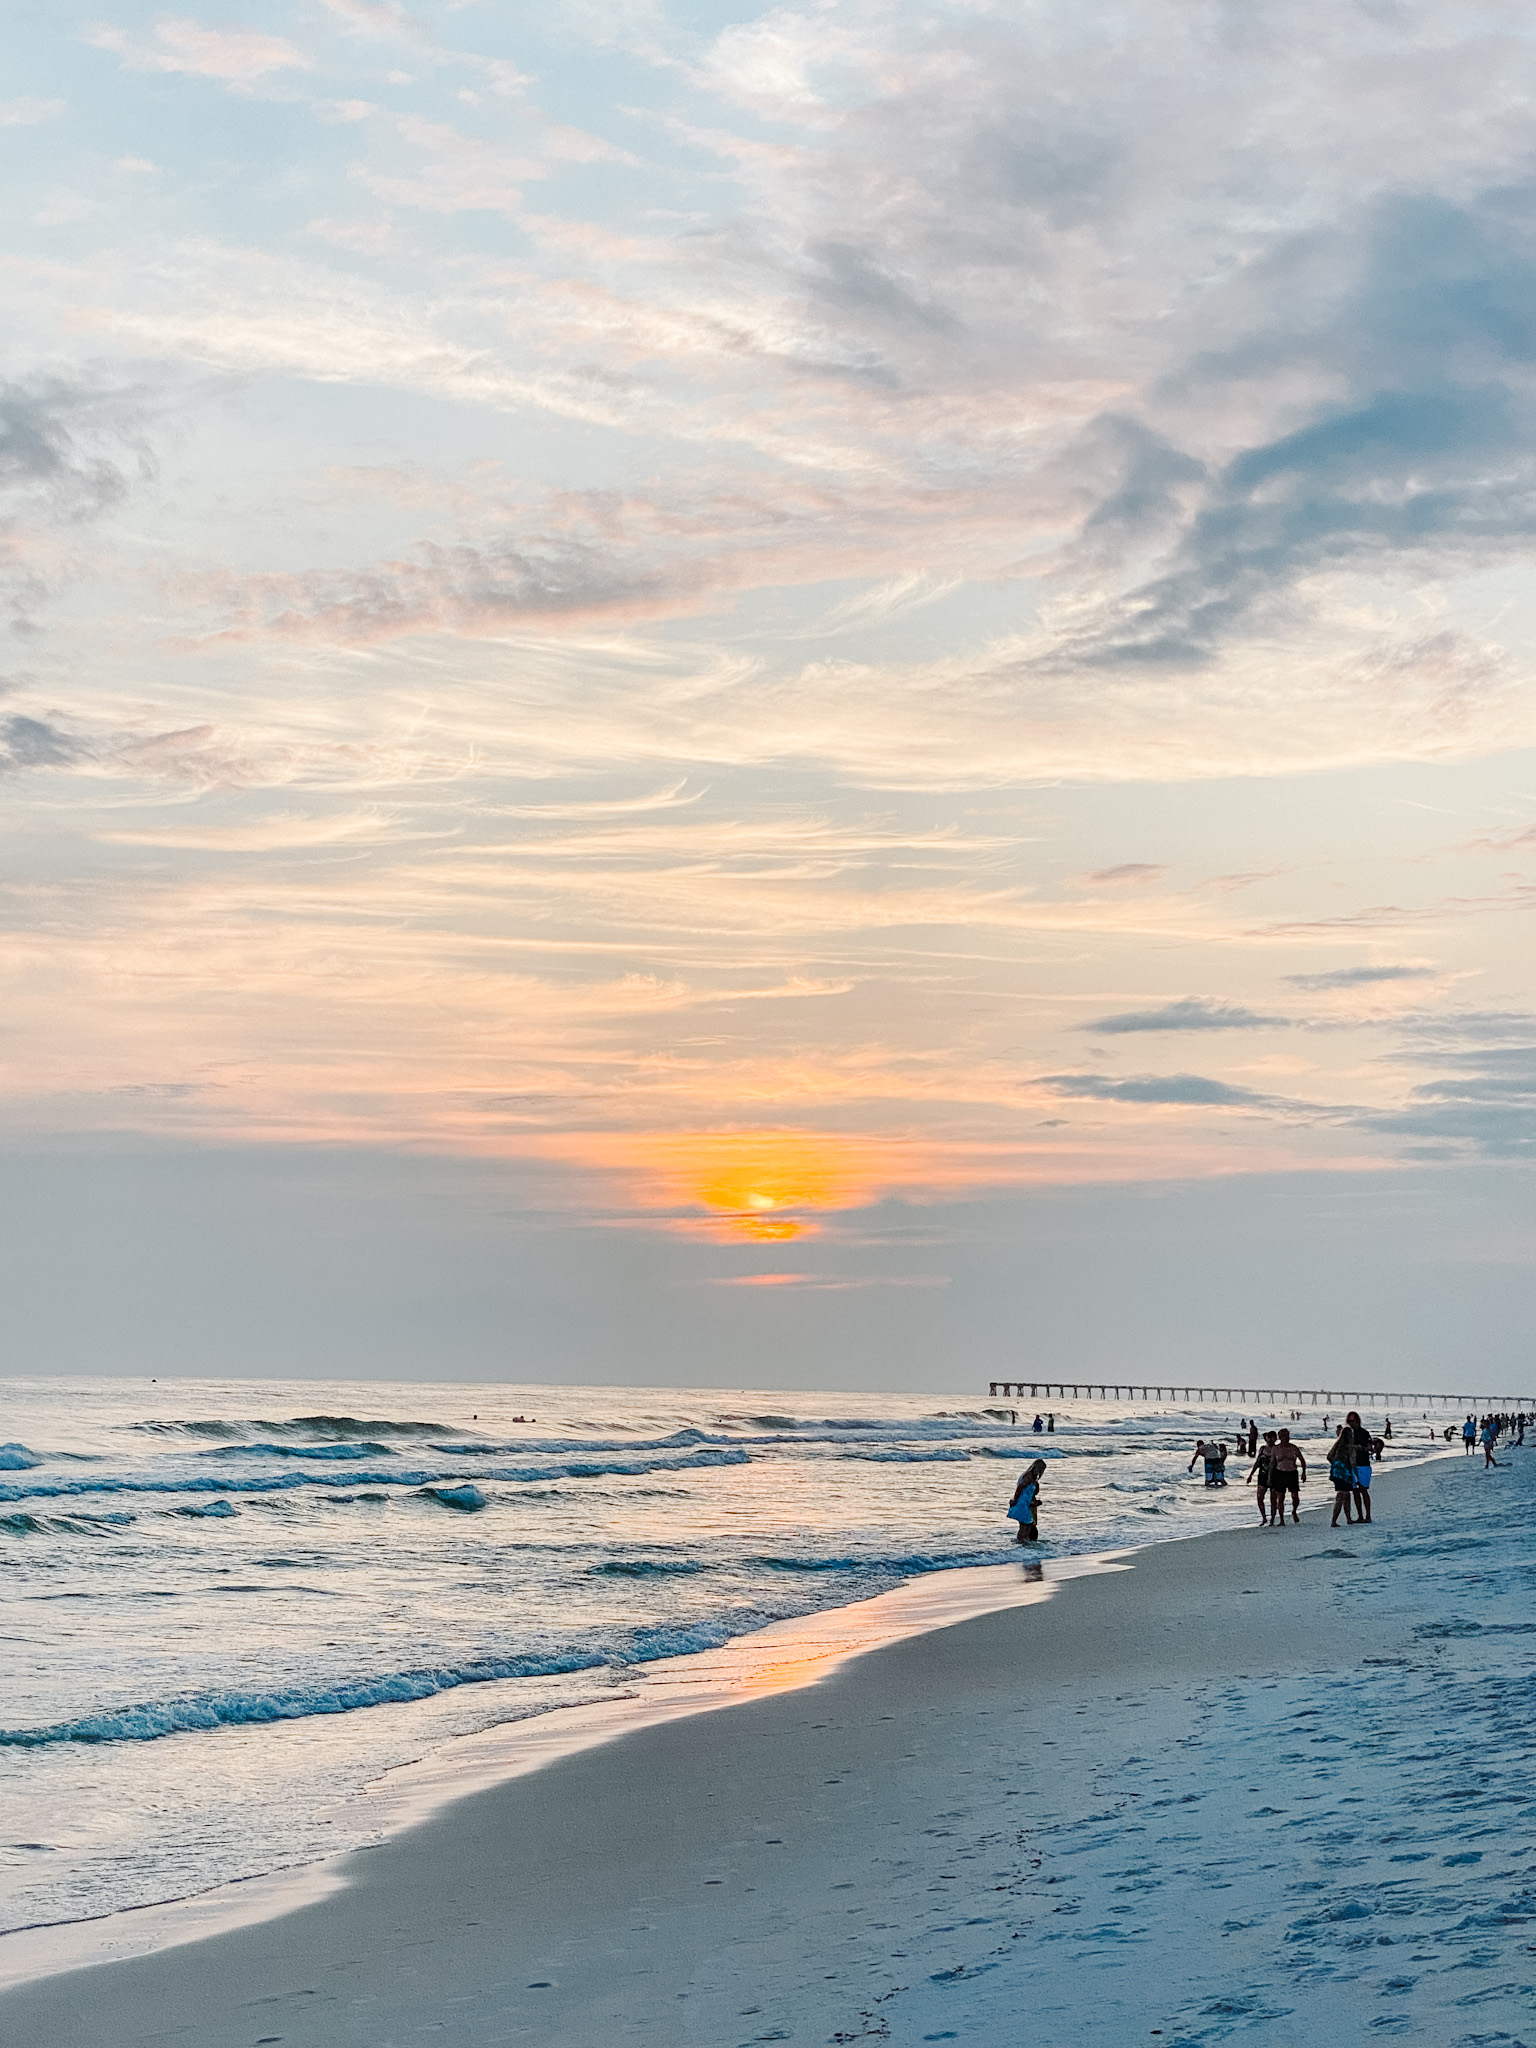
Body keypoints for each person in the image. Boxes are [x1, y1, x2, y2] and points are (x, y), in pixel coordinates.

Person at [1269, 1428, 1306, 1526]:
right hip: (1280, 1473)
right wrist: (1270, 1478)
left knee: (1295, 1497)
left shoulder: (1293, 1448)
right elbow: (1272, 1464)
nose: (1287, 1438)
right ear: (1280, 1437)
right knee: (1280, 1498)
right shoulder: (1275, 1449)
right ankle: (1281, 1519)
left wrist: (1304, 1473)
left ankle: (1294, 1511)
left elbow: (1302, 1460)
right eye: (1284, 1435)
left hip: (1292, 1473)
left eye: (1288, 1435)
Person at [1008, 1459, 1046, 1543]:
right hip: (1022, 1503)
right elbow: (1020, 1488)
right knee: (1025, 1525)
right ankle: (1021, 1541)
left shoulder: (1032, 1479)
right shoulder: (1028, 1476)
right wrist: (1015, 1499)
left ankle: (1023, 1543)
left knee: (1027, 1525)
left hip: (1026, 1503)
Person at [1328, 1428, 1357, 1527]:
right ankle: (1334, 1520)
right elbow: (1352, 1461)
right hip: (1345, 1473)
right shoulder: (1350, 1447)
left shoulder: (1337, 1445)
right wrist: (1356, 1475)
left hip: (1336, 1472)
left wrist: (1336, 1464)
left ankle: (1348, 1518)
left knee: (1345, 1494)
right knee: (1342, 1495)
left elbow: (1329, 1456)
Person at [1247, 1430, 1277, 1523]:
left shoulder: (1277, 1449)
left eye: (1273, 1437)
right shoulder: (1262, 1449)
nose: (1271, 1440)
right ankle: (1264, 1517)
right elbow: (1257, 1463)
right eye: (1269, 1437)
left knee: (1273, 1499)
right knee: (1260, 1497)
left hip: (1275, 1476)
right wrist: (1251, 1475)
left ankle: (1272, 1518)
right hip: (1262, 1476)